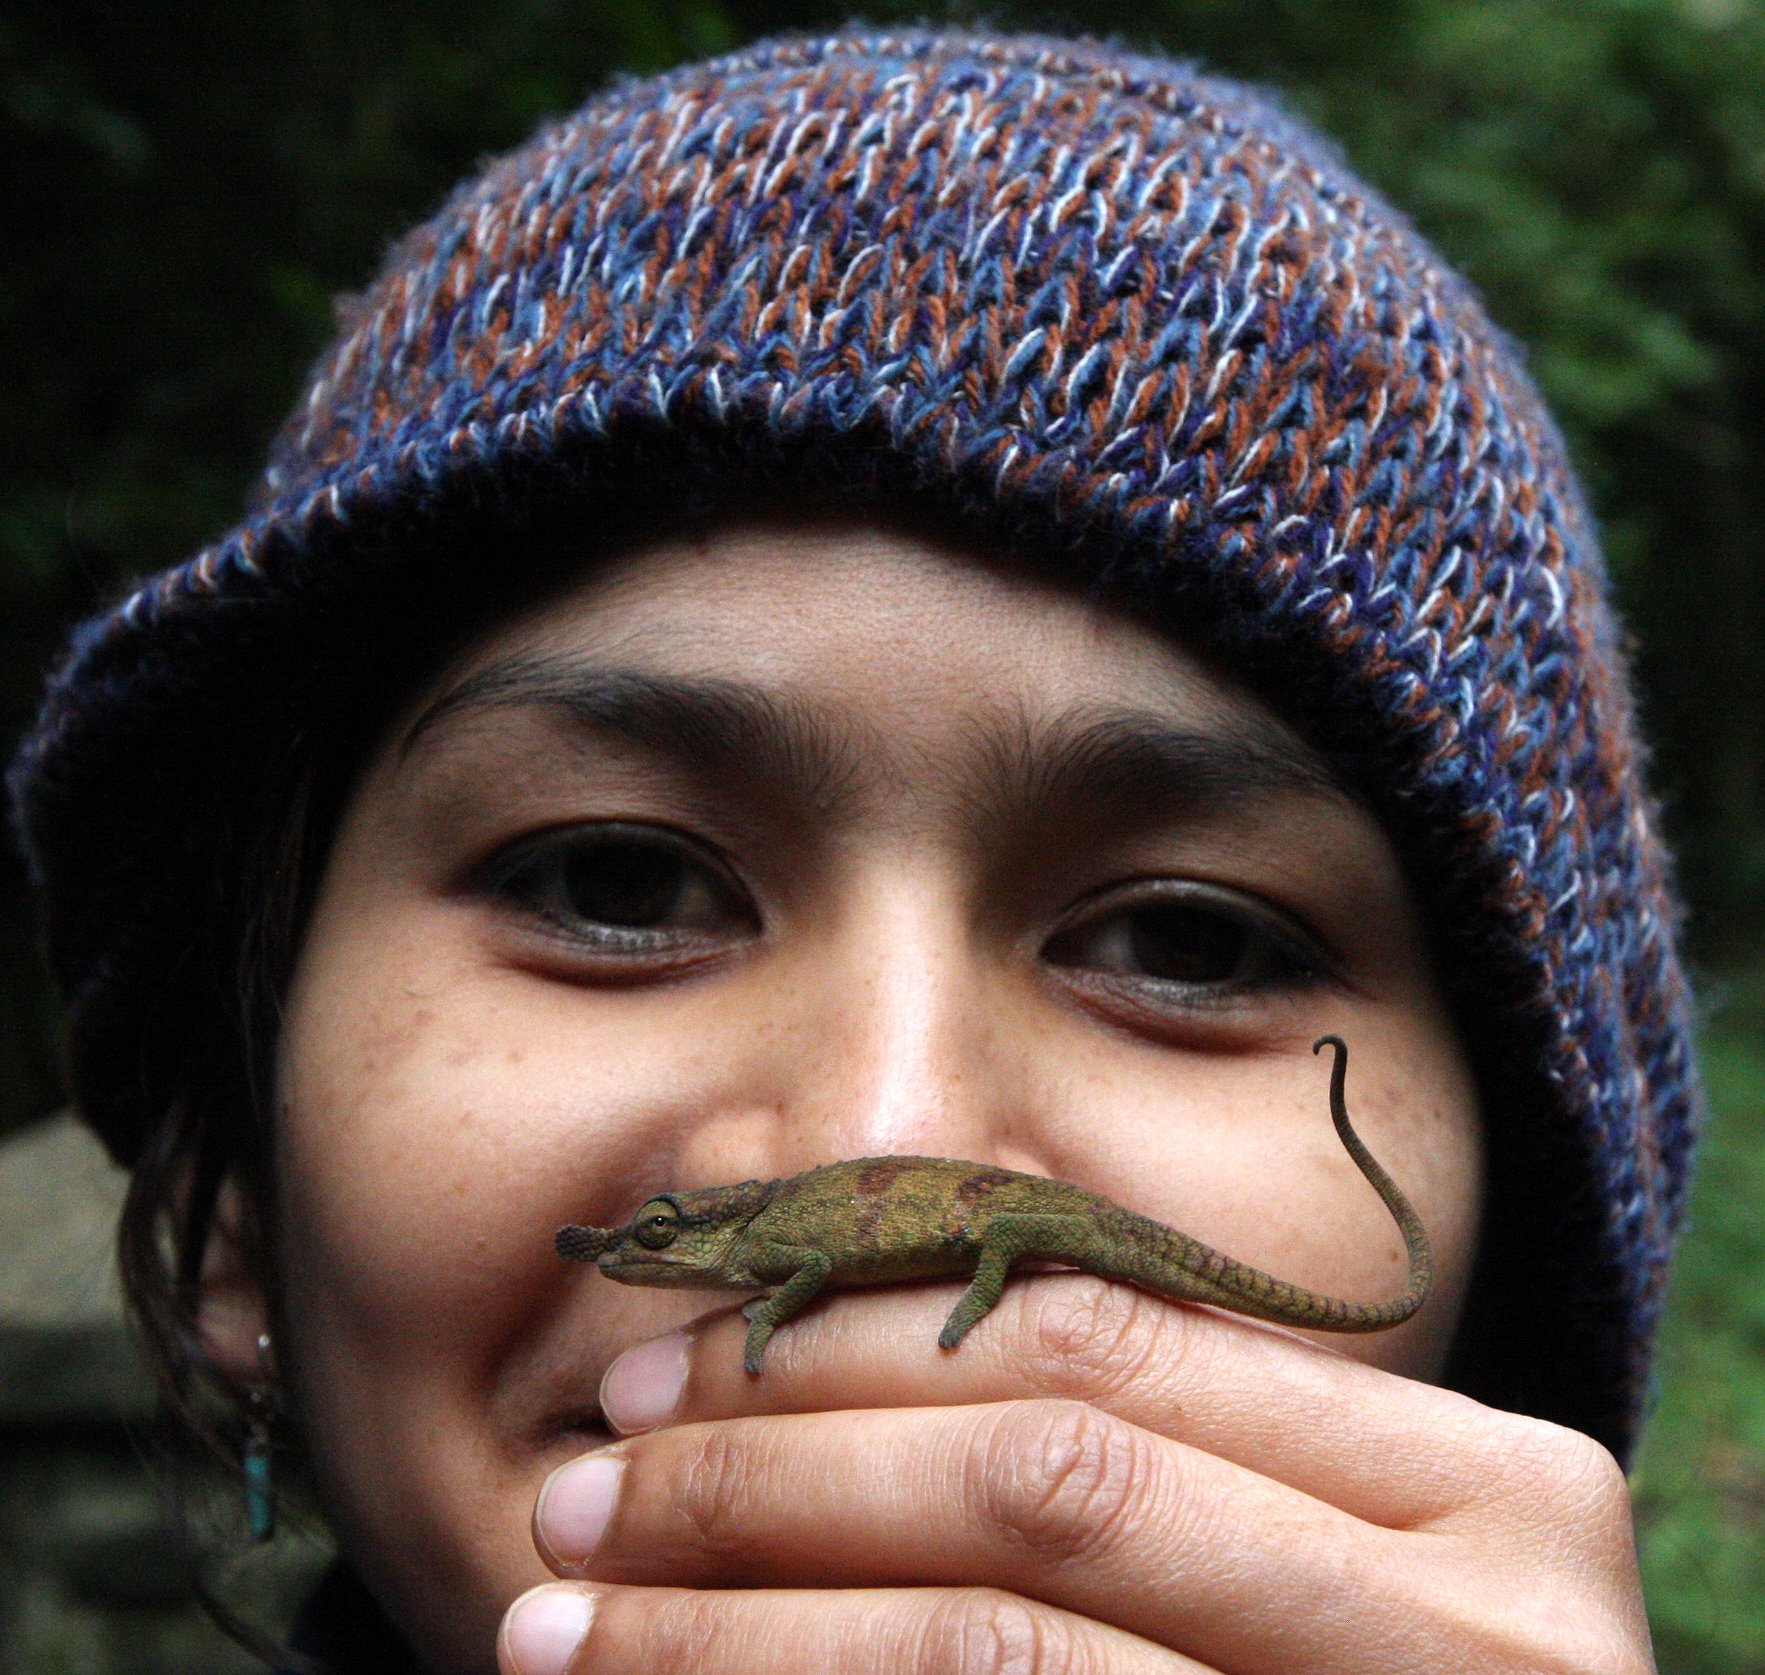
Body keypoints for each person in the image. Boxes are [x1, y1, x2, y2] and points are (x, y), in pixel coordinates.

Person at [8, 25, 1695, 1675]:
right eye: (613, 884)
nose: (888, 1122)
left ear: (1503, 1289)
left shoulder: (799, 1233)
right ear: (234, 1201)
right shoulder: (751, 1238)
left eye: (1191, 942)